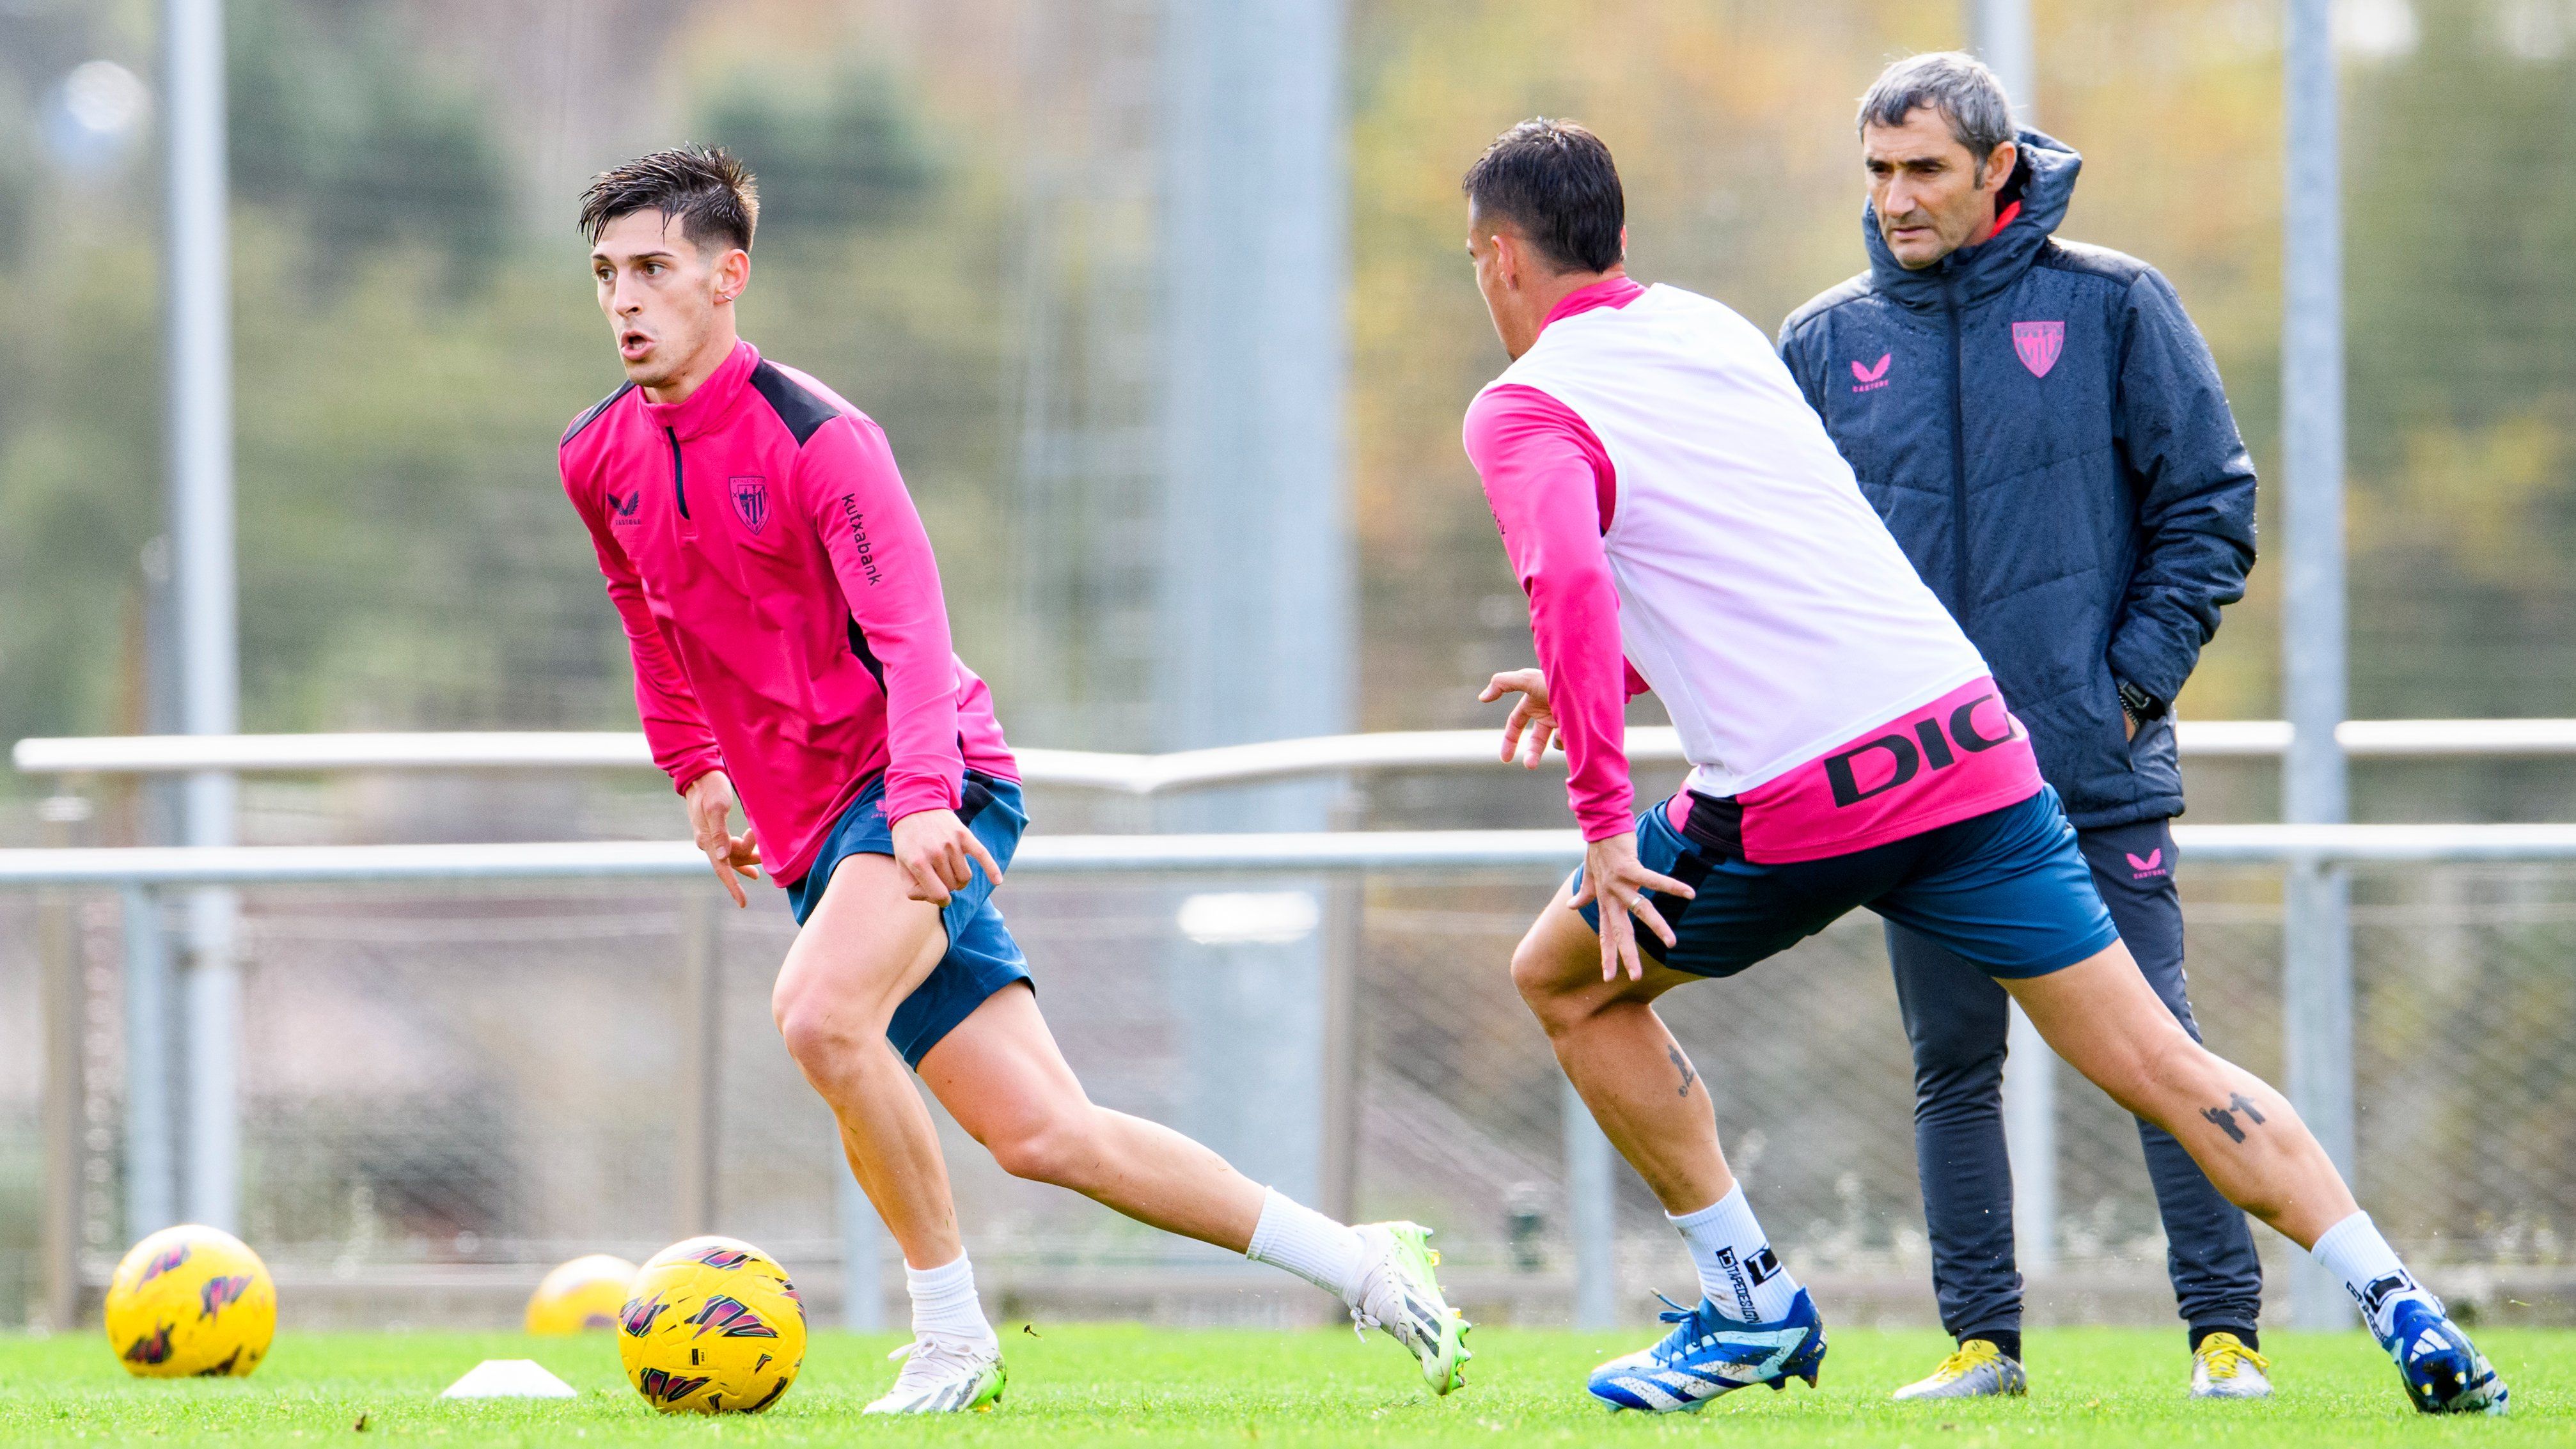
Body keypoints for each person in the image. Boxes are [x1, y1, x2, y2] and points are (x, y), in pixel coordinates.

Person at [1453, 118, 2504, 1418]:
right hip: (1970, 744)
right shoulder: (1715, 332)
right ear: (1616, 239)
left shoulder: (1523, 404)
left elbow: (1567, 579)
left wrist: (1606, 822)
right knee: (2163, 1060)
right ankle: (2404, 1305)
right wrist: (1603, 680)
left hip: (1803, 789)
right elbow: (1778, 565)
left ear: (1502, 260)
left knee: (1563, 975)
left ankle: (1750, 1302)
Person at [558, 146, 1468, 1414]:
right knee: (1048, 1132)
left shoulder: (825, 439)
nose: (625, 299)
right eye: (606, 274)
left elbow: (915, 635)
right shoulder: (596, 456)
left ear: (729, 277)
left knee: (821, 1016)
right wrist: (694, 768)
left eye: (653, 269)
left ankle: (950, 1337)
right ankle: (1360, 1259)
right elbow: (647, 619)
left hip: (929, 779)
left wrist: (923, 794)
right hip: (824, 826)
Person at [1775, 52, 2266, 1401]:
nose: (1894, 198)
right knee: (1951, 1065)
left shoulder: (2112, 305)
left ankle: (2225, 1338)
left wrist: (2121, 690)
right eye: (1876, 171)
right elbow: (1772, 559)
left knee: (2159, 1053)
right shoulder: (1822, 343)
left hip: (2087, 772)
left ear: (1999, 170)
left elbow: (2210, 506)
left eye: (1923, 168)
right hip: (1919, 788)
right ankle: (1982, 1344)